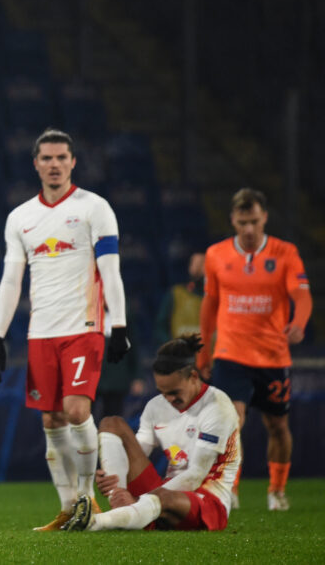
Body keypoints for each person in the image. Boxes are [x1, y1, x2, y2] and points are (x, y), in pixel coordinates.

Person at [0, 128, 131, 531]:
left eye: (61, 158)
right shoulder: (20, 218)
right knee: (51, 421)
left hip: (84, 327)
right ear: (36, 164)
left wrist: (118, 324)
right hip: (41, 332)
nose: (54, 165)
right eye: (46, 158)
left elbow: (110, 269)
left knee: (77, 410)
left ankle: (87, 501)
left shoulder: (94, 208)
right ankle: (68, 508)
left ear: (73, 162)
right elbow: (11, 281)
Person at [197, 188, 312, 511]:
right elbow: (210, 304)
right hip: (231, 353)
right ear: (233, 219)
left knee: (277, 426)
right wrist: (204, 351)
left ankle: (276, 490)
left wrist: (299, 322)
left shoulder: (285, 252)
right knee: (231, 421)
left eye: (254, 221)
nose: (248, 229)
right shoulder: (216, 254)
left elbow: (301, 294)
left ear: (265, 219)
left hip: (273, 356)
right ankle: (229, 488)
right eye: (242, 222)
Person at [62, 334, 241, 532]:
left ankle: (95, 522)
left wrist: (140, 500)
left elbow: (196, 475)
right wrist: (112, 477)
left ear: (193, 377)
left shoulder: (217, 407)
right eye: (162, 392)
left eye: (174, 392)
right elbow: (139, 450)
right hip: (161, 493)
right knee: (111, 423)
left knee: (162, 497)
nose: (168, 399)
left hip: (207, 502)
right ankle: (121, 506)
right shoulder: (156, 406)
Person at [153, 252, 204, 348]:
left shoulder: (219, 296)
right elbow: (160, 327)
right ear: (189, 267)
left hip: (210, 357)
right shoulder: (175, 294)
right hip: (182, 357)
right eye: (197, 264)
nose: (199, 269)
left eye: (203, 264)